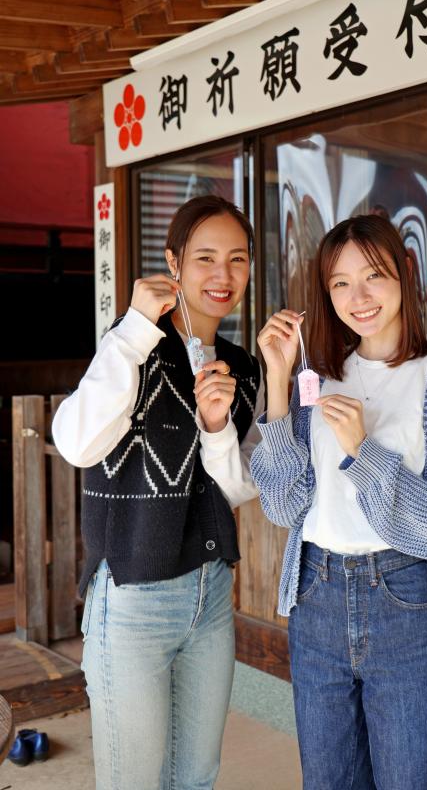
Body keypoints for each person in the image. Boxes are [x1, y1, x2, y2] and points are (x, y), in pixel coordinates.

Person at [251, 214, 427, 790]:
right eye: (339, 283)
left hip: (409, 603)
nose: (358, 297)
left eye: (373, 275)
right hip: (317, 597)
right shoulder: (317, 379)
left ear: (404, 274)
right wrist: (277, 384)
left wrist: (364, 451)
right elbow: (283, 505)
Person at [52, 195, 263, 790]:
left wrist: (217, 427)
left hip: (210, 598)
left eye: (237, 259)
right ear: (173, 263)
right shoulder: (133, 346)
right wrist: (134, 331)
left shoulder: (243, 369)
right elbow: (76, 442)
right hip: (132, 600)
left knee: (196, 778)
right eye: (204, 258)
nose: (222, 276)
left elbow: (240, 489)